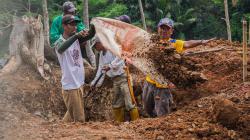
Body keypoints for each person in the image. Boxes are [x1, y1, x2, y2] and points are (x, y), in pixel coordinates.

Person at [142, 18, 215, 117]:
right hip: (149, 81)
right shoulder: (152, 41)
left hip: (162, 85)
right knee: (147, 108)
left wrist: (201, 41)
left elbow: (188, 43)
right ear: (158, 29)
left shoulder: (174, 43)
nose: (164, 31)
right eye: (162, 28)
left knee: (162, 113)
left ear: (171, 31)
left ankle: (163, 127)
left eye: (167, 29)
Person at [54, 14, 94, 122]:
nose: (75, 27)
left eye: (75, 24)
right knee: (79, 119)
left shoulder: (75, 39)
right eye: (72, 24)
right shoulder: (59, 42)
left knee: (71, 116)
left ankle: (59, 132)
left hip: (78, 83)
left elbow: (90, 35)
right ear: (64, 26)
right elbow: (61, 48)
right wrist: (77, 36)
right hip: (71, 86)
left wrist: (94, 26)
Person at [90, 37, 139, 122]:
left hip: (124, 77)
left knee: (129, 102)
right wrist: (94, 84)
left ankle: (137, 123)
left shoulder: (112, 48)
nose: (95, 48)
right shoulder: (102, 55)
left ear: (101, 42)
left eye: (95, 45)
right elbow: (101, 70)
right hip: (115, 80)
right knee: (116, 103)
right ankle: (118, 124)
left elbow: (121, 57)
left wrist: (110, 66)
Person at [50, 1, 96, 68]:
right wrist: (66, 38)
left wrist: (85, 33)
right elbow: (53, 37)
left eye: (73, 12)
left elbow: (82, 29)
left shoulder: (75, 19)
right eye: (71, 12)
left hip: (75, 43)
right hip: (63, 45)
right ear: (65, 12)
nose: (73, 13)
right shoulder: (57, 21)